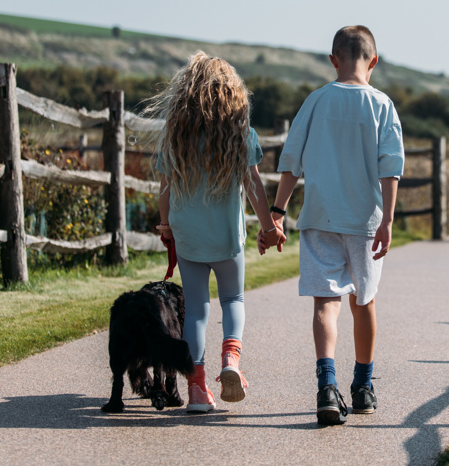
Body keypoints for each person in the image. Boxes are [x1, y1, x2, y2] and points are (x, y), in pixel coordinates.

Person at [262, 25, 404, 426]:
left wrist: (277, 211)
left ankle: (327, 387)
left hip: (319, 218)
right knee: (364, 301)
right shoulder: (382, 105)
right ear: (373, 61)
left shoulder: (315, 101)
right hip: (365, 221)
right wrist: (388, 220)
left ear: (333, 59)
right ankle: (362, 388)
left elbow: (291, 160)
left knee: (326, 303)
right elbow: (390, 167)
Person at [150, 52, 279, 413]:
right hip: (226, 239)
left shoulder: (176, 135)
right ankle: (231, 361)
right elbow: (253, 184)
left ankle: (196, 389)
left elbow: (165, 186)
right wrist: (269, 227)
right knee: (233, 300)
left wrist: (165, 227)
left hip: (189, 237)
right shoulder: (241, 133)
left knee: (196, 312)